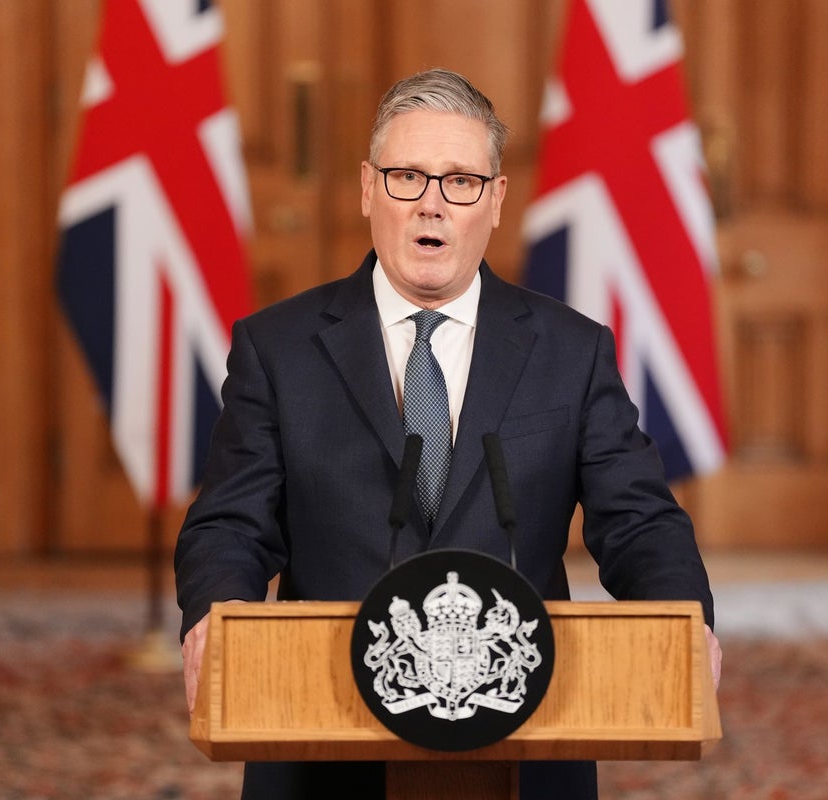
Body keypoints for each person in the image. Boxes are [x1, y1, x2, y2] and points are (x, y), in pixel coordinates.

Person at [175, 67, 722, 800]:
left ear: (495, 201)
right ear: (368, 189)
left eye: (461, 181)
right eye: (407, 177)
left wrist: (685, 618)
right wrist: (218, 616)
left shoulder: (570, 350)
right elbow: (230, 525)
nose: (431, 204)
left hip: (527, 724)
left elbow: (640, 521)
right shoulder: (278, 348)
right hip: (321, 731)